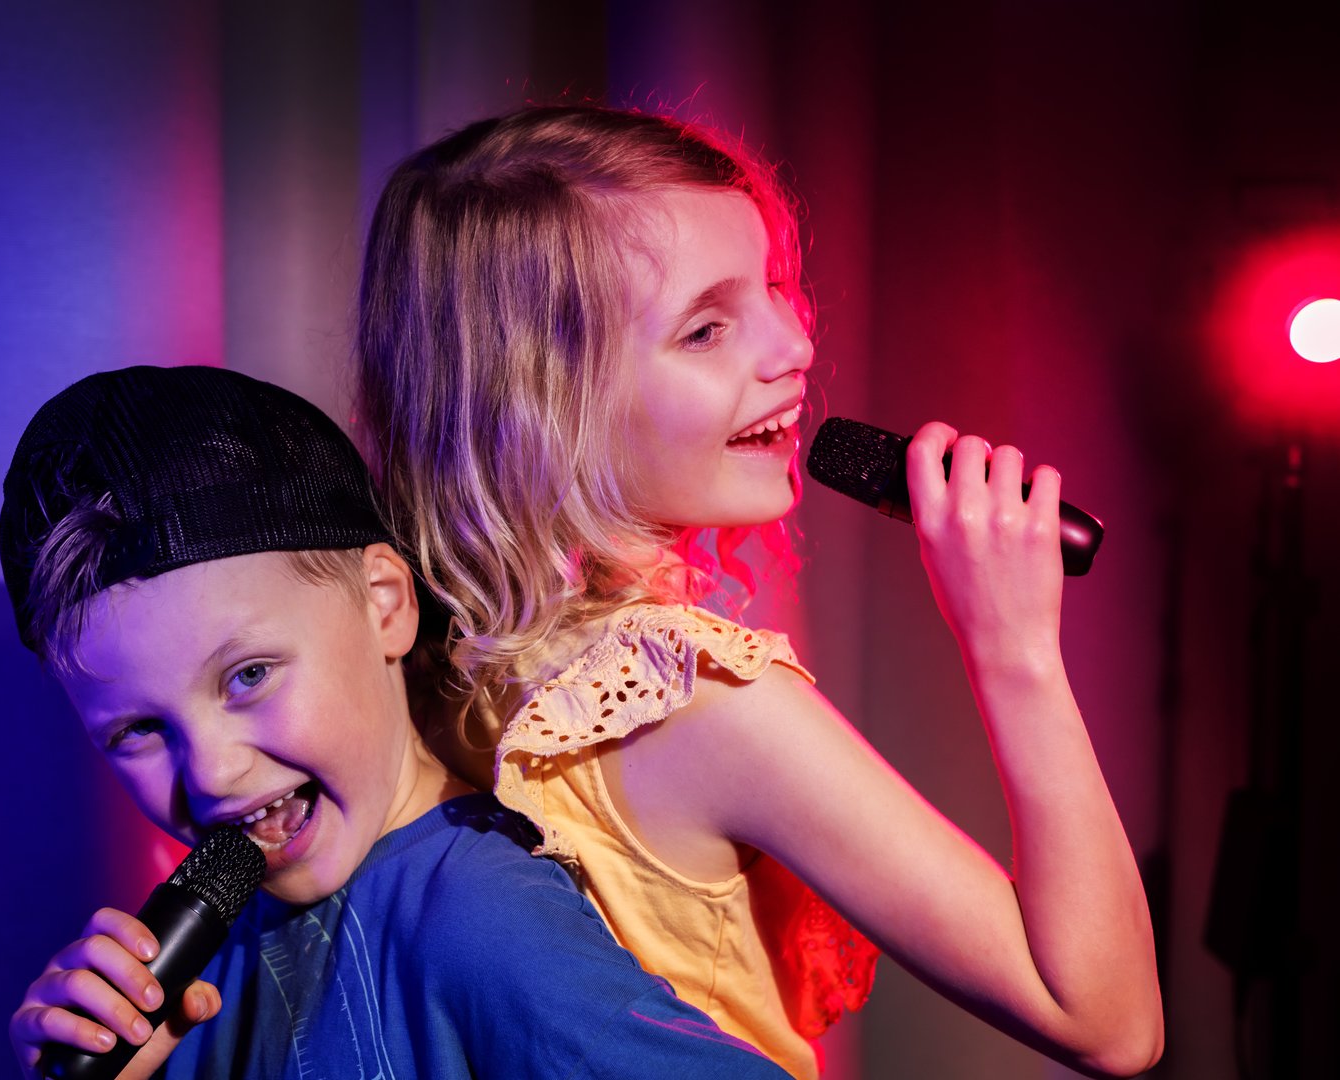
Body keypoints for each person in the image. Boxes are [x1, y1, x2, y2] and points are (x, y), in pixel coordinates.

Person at [353, 104, 1165, 1079]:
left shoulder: (413, 653)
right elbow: (1106, 1021)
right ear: (537, 406)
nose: (791, 348)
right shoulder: (694, 698)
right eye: (705, 329)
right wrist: (1014, 646)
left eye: (778, 288)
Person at [0, 365, 791, 1079]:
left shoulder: (478, 921)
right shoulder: (207, 961)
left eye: (248, 676)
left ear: (384, 604)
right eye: (137, 730)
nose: (208, 771)